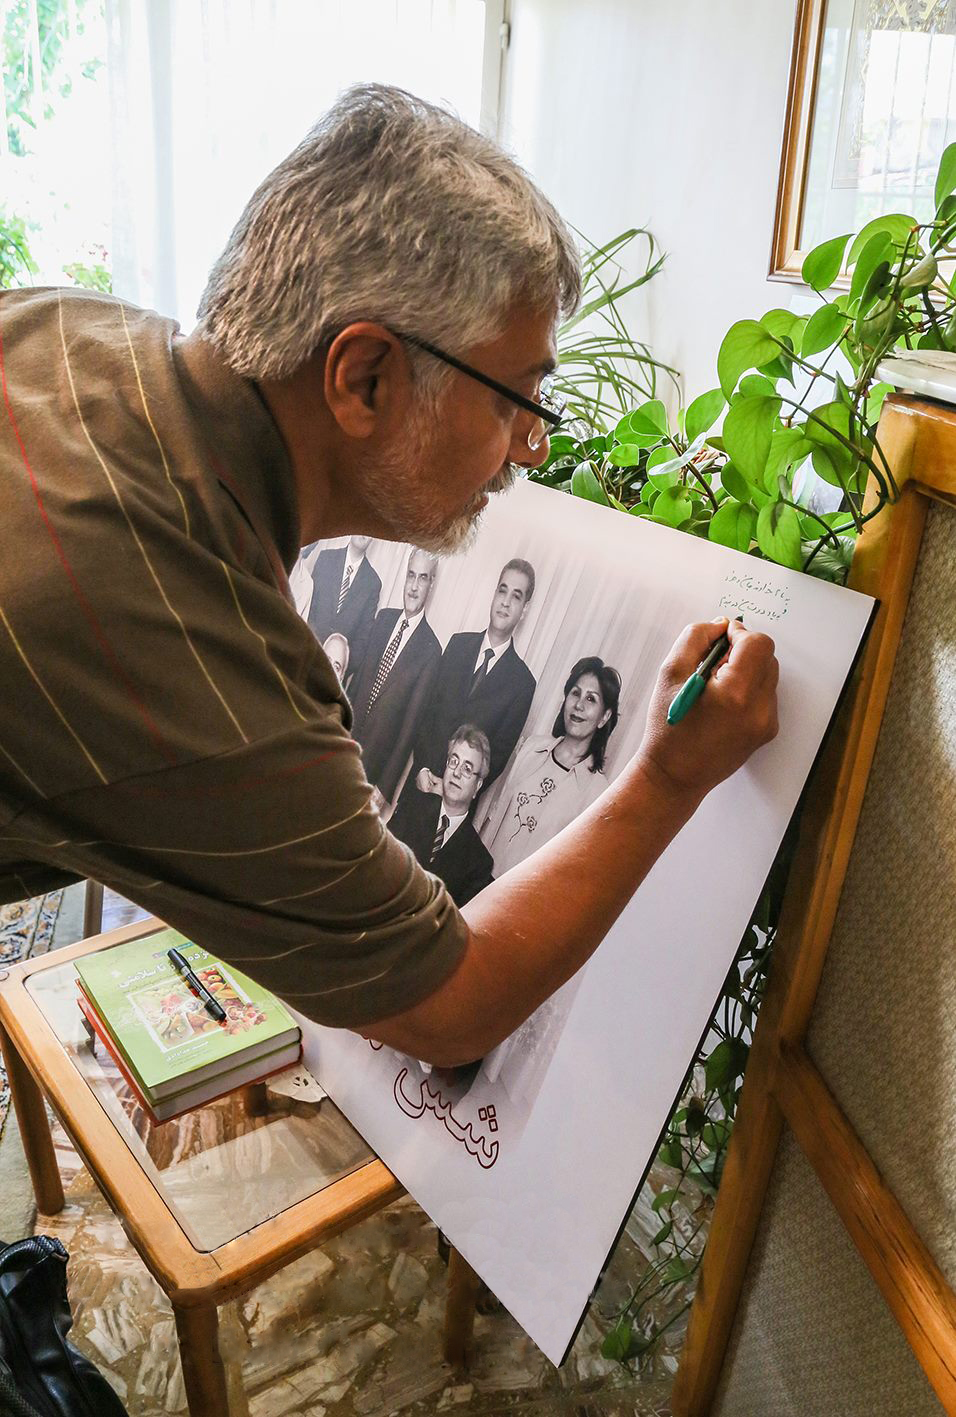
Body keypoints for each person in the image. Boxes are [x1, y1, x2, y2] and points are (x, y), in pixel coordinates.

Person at [0, 84, 778, 1069]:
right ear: (363, 377)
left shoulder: (67, 325)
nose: (531, 448)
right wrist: (669, 771)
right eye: (517, 398)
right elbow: (448, 1006)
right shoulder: (197, 654)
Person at [402, 559, 537, 812]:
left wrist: (453, 790)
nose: (505, 602)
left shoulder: (522, 684)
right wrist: (421, 767)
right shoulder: (457, 646)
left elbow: (495, 759)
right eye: (502, 590)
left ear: (525, 609)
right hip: (418, 786)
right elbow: (426, 712)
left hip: (455, 812)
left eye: (516, 596)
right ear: (494, 593)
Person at [481, 657, 622, 877]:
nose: (579, 705)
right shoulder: (530, 749)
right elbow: (494, 816)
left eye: (591, 699)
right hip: (476, 881)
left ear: (604, 717)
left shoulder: (598, 794)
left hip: (522, 900)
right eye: (575, 693)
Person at [348, 548, 442, 805]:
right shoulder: (383, 619)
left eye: (422, 578)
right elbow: (355, 687)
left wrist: (384, 788)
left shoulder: (431, 650)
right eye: (411, 575)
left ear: (431, 584)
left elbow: (409, 728)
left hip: (372, 774)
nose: (413, 586)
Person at [389, 725, 495, 907]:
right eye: (453, 761)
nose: (456, 772)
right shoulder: (411, 809)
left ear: (478, 786)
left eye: (467, 768)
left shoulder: (479, 863)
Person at [306, 533, 381, 682]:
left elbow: (363, 638)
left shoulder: (373, 583)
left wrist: (341, 666)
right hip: (308, 656)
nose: (364, 532)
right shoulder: (326, 559)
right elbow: (309, 609)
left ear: (375, 537)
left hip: (335, 678)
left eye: (369, 529)